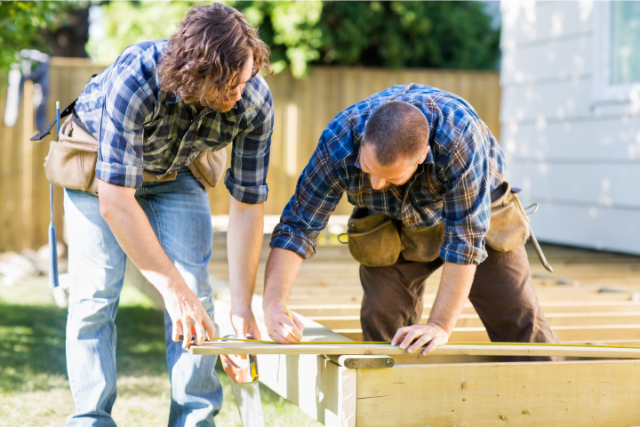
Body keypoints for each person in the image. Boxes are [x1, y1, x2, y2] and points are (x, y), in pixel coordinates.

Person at [64, 4, 272, 425]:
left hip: (176, 172)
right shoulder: (137, 78)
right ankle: (91, 419)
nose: (240, 93)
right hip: (99, 173)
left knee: (197, 289)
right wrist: (171, 292)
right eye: (229, 85)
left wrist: (242, 307)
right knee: (95, 296)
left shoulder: (253, 101)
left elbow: (248, 203)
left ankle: (195, 419)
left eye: (246, 78)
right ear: (195, 74)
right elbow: (115, 200)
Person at [262, 84, 561, 361]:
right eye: (367, 168)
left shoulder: (458, 137)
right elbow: (297, 227)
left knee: (518, 320)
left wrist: (439, 325)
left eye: (390, 176)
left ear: (421, 158)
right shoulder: (339, 141)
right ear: (364, 136)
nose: (376, 183)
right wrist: (274, 304)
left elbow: (465, 242)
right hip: (390, 220)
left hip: (479, 215)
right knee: (384, 324)